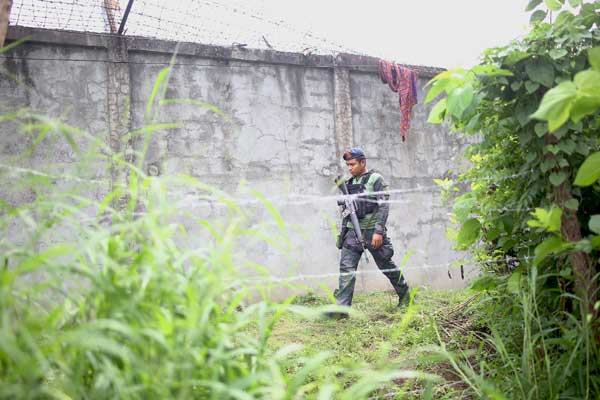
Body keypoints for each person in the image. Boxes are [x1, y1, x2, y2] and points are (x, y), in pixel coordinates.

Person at [333, 147, 409, 315]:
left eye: (352, 164)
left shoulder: (376, 179)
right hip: (353, 232)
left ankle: (405, 297)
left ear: (363, 162)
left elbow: (383, 206)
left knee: (386, 265)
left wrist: (379, 231)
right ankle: (341, 310)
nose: (350, 168)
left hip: (372, 231)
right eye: (347, 165)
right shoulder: (349, 183)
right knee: (346, 268)